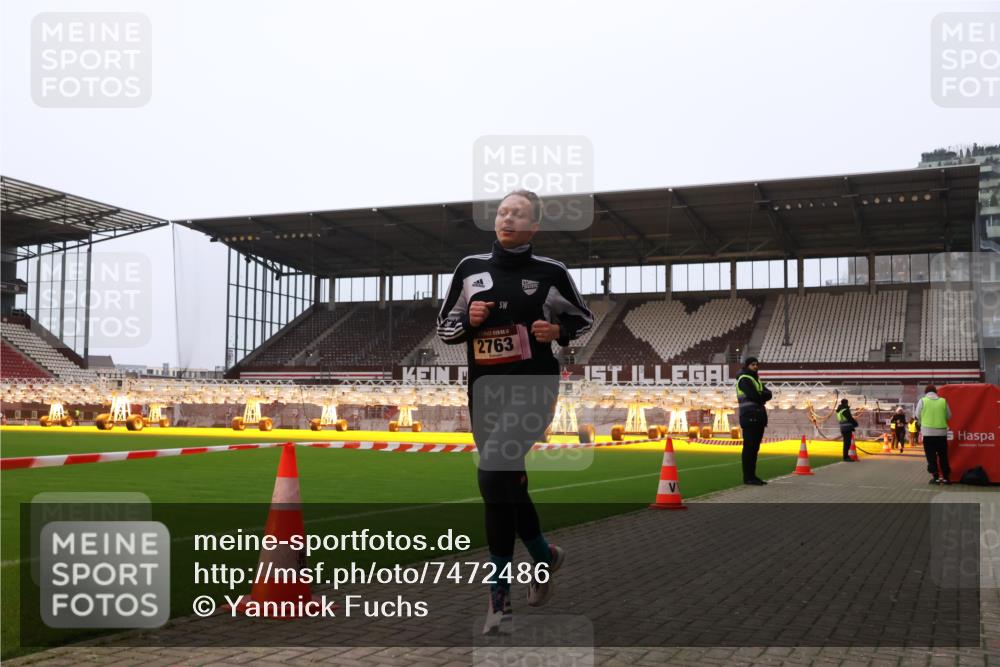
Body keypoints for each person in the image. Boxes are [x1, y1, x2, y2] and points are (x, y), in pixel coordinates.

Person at [437, 189, 594, 634]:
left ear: (534, 226)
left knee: (491, 472)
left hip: (533, 387)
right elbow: (445, 326)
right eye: (503, 211)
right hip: (485, 392)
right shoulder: (470, 270)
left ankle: (499, 602)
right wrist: (470, 320)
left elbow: (583, 319)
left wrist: (556, 329)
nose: (507, 218)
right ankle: (544, 556)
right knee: (504, 482)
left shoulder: (550, 272)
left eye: (518, 213)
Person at [735, 356, 772, 485]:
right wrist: (762, 396)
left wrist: (761, 396)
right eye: (752, 364)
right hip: (749, 417)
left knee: (754, 449)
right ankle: (748, 477)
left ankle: (752, 476)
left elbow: (769, 394)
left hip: (758, 417)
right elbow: (755, 396)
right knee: (749, 449)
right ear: (747, 366)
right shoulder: (744, 379)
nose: (755, 366)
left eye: (756, 364)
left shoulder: (756, 380)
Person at [915, 384, 952, 485]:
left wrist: (923, 420)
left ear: (926, 392)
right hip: (941, 433)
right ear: (936, 392)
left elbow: (917, 415)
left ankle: (935, 477)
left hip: (927, 433)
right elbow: (949, 416)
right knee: (943, 455)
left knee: (931, 456)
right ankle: (946, 477)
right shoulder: (943, 401)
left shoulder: (922, 401)